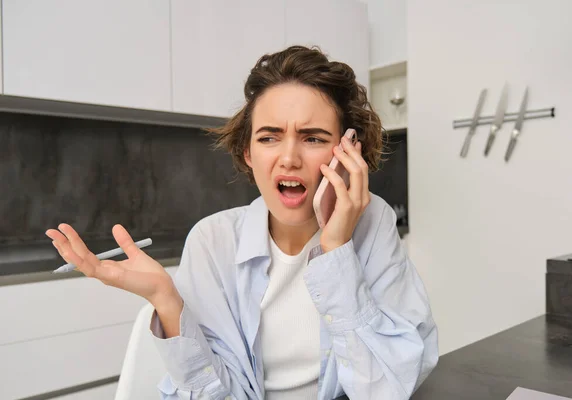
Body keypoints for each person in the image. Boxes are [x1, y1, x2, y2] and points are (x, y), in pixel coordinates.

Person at [45, 45, 438, 400]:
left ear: (347, 150)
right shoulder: (213, 241)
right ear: (248, 151)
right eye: (269, 137)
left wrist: (336, 250)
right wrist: (166, 299)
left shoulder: (373, 224)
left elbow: (387, 390)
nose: (288, 158)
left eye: (313, 138)